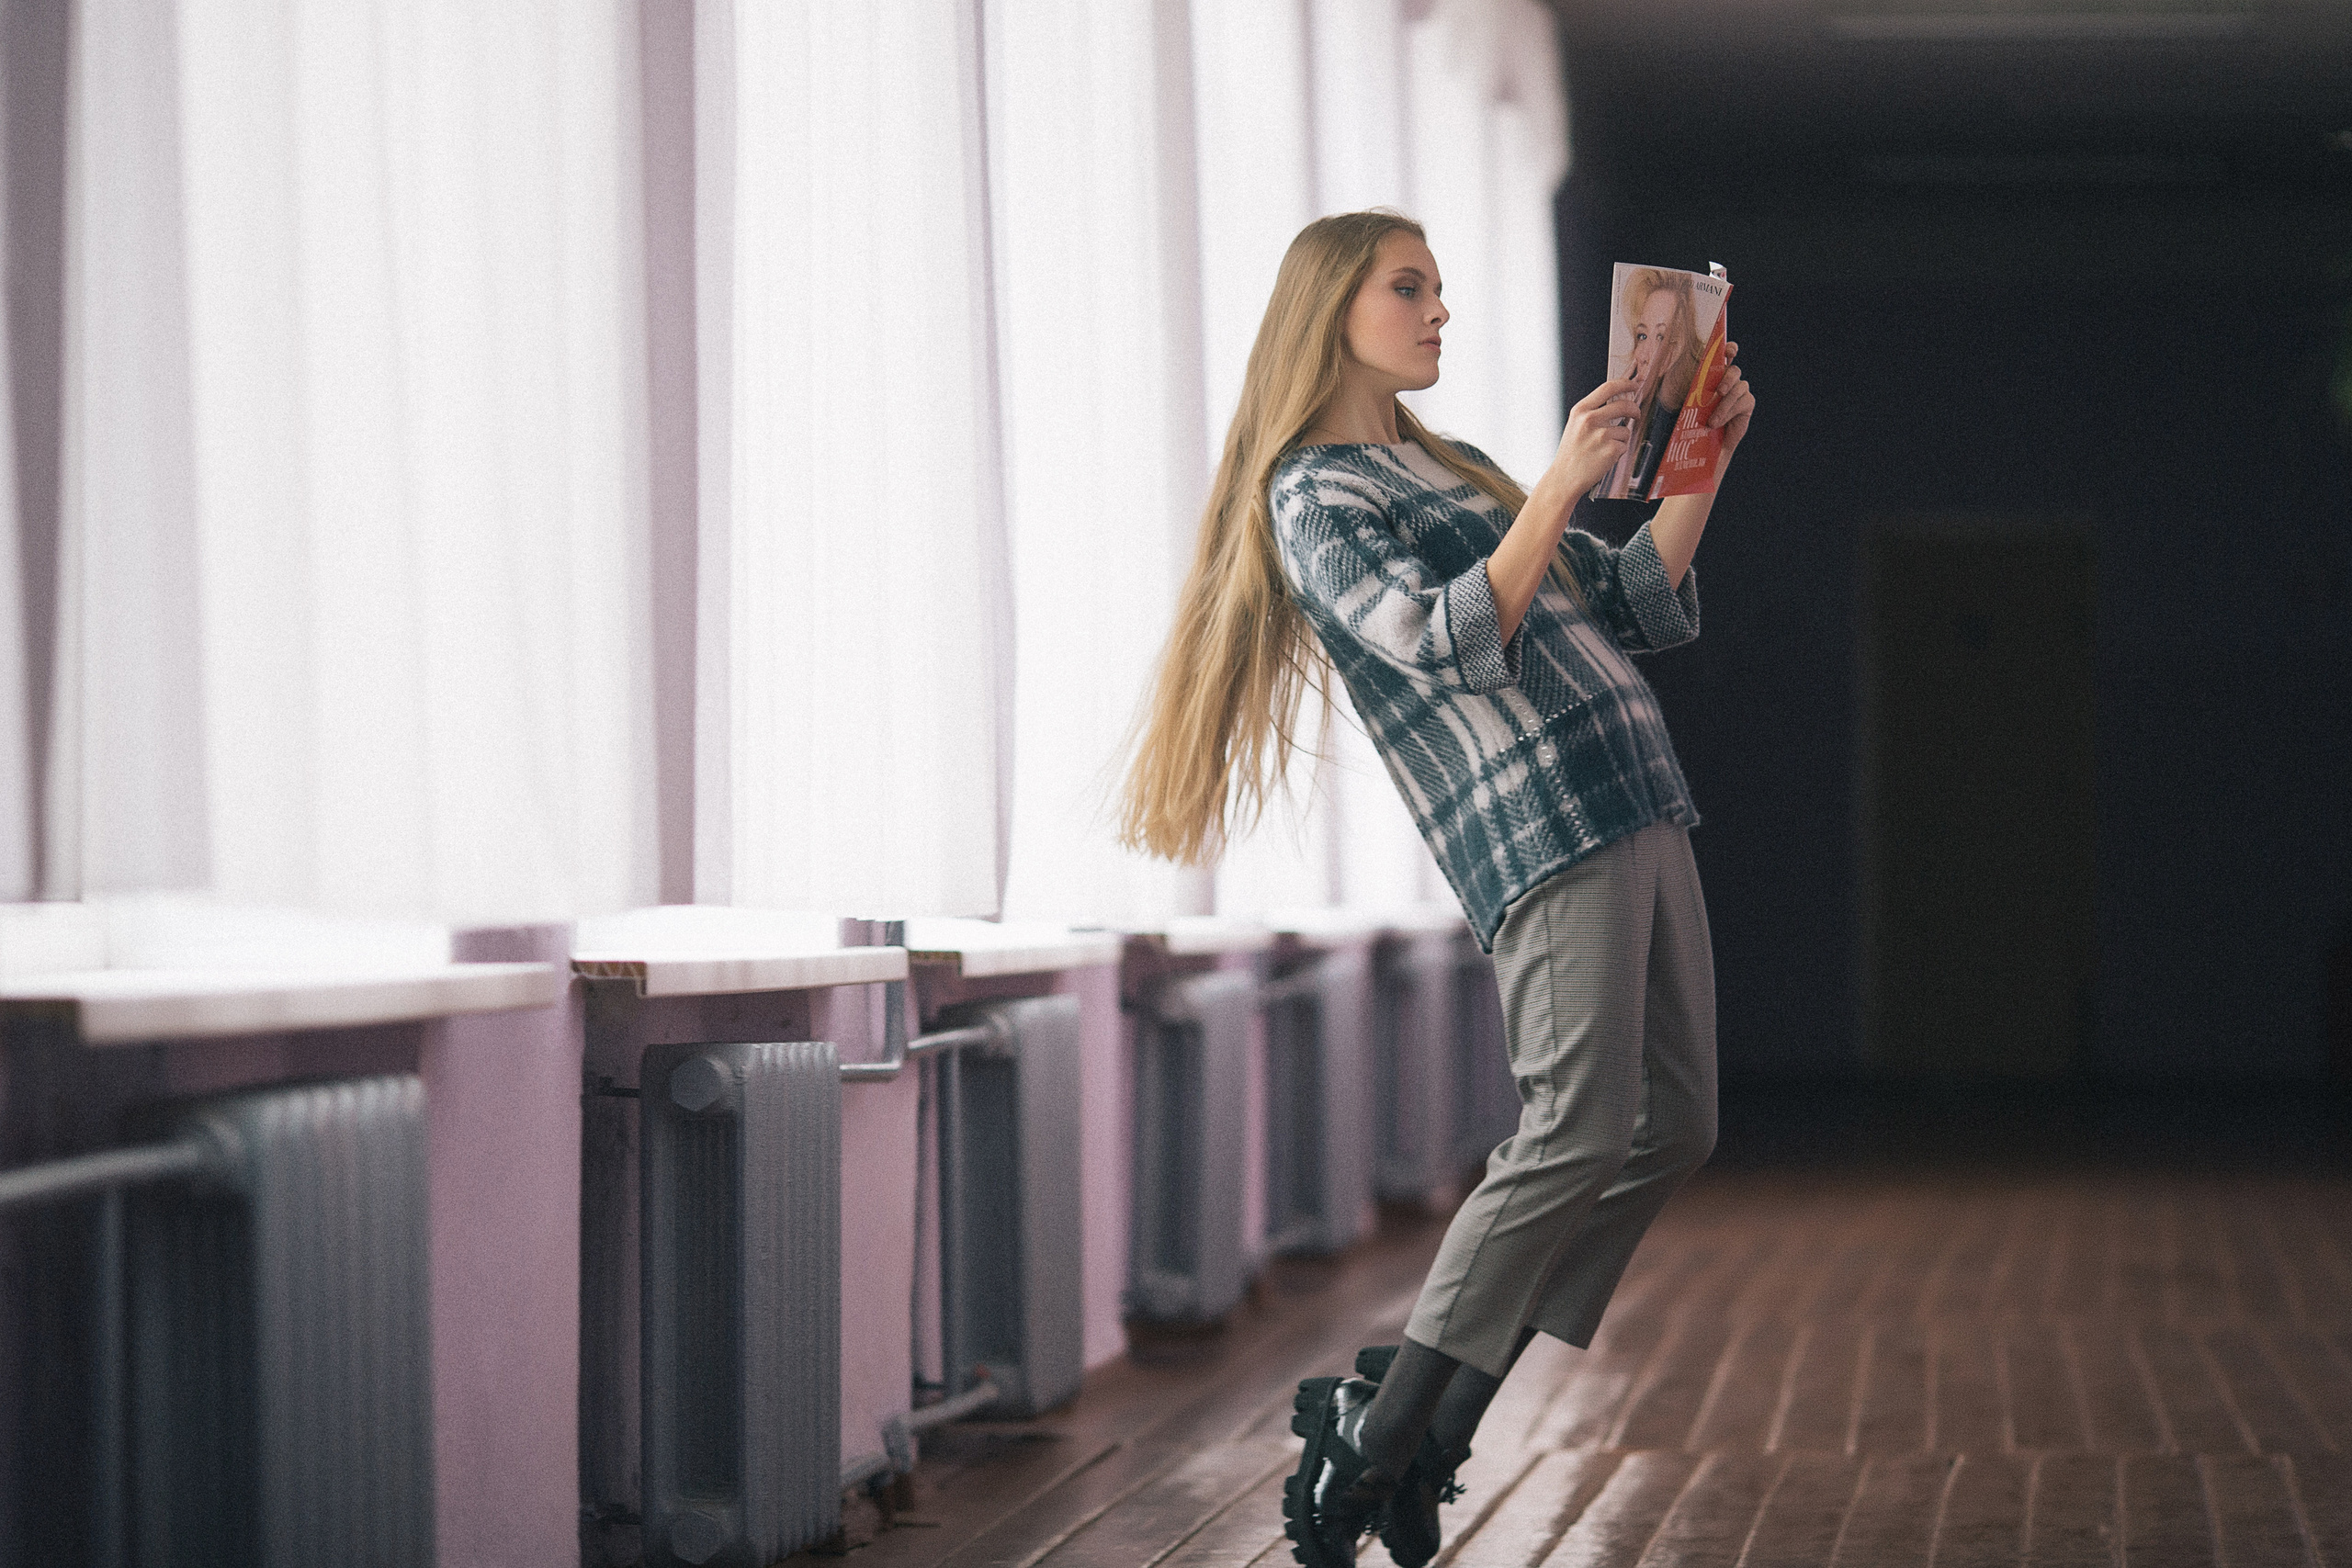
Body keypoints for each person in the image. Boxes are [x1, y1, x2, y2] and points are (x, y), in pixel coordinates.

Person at [1116, 209, 1755, 1568]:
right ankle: (1384, 1428)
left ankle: (1420, 1421)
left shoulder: (1445, 465)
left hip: (1637, 789)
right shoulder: (1315, 494)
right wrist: (1558, 487)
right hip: (1540, 822)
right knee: (1575, 1126)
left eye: (1441, 288)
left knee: (1677, 1121)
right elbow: (1442, 639)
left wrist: (1699, 453)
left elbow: (1634, 603)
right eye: (1410, 288)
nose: (1439, 311)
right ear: (1331, 307)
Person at [1594, 266, 1706, 501]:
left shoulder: (1682, 418)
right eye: (1642, 336)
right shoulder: (1620, 410)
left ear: (1681, 344)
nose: (1645, 355)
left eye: (1662, 337)